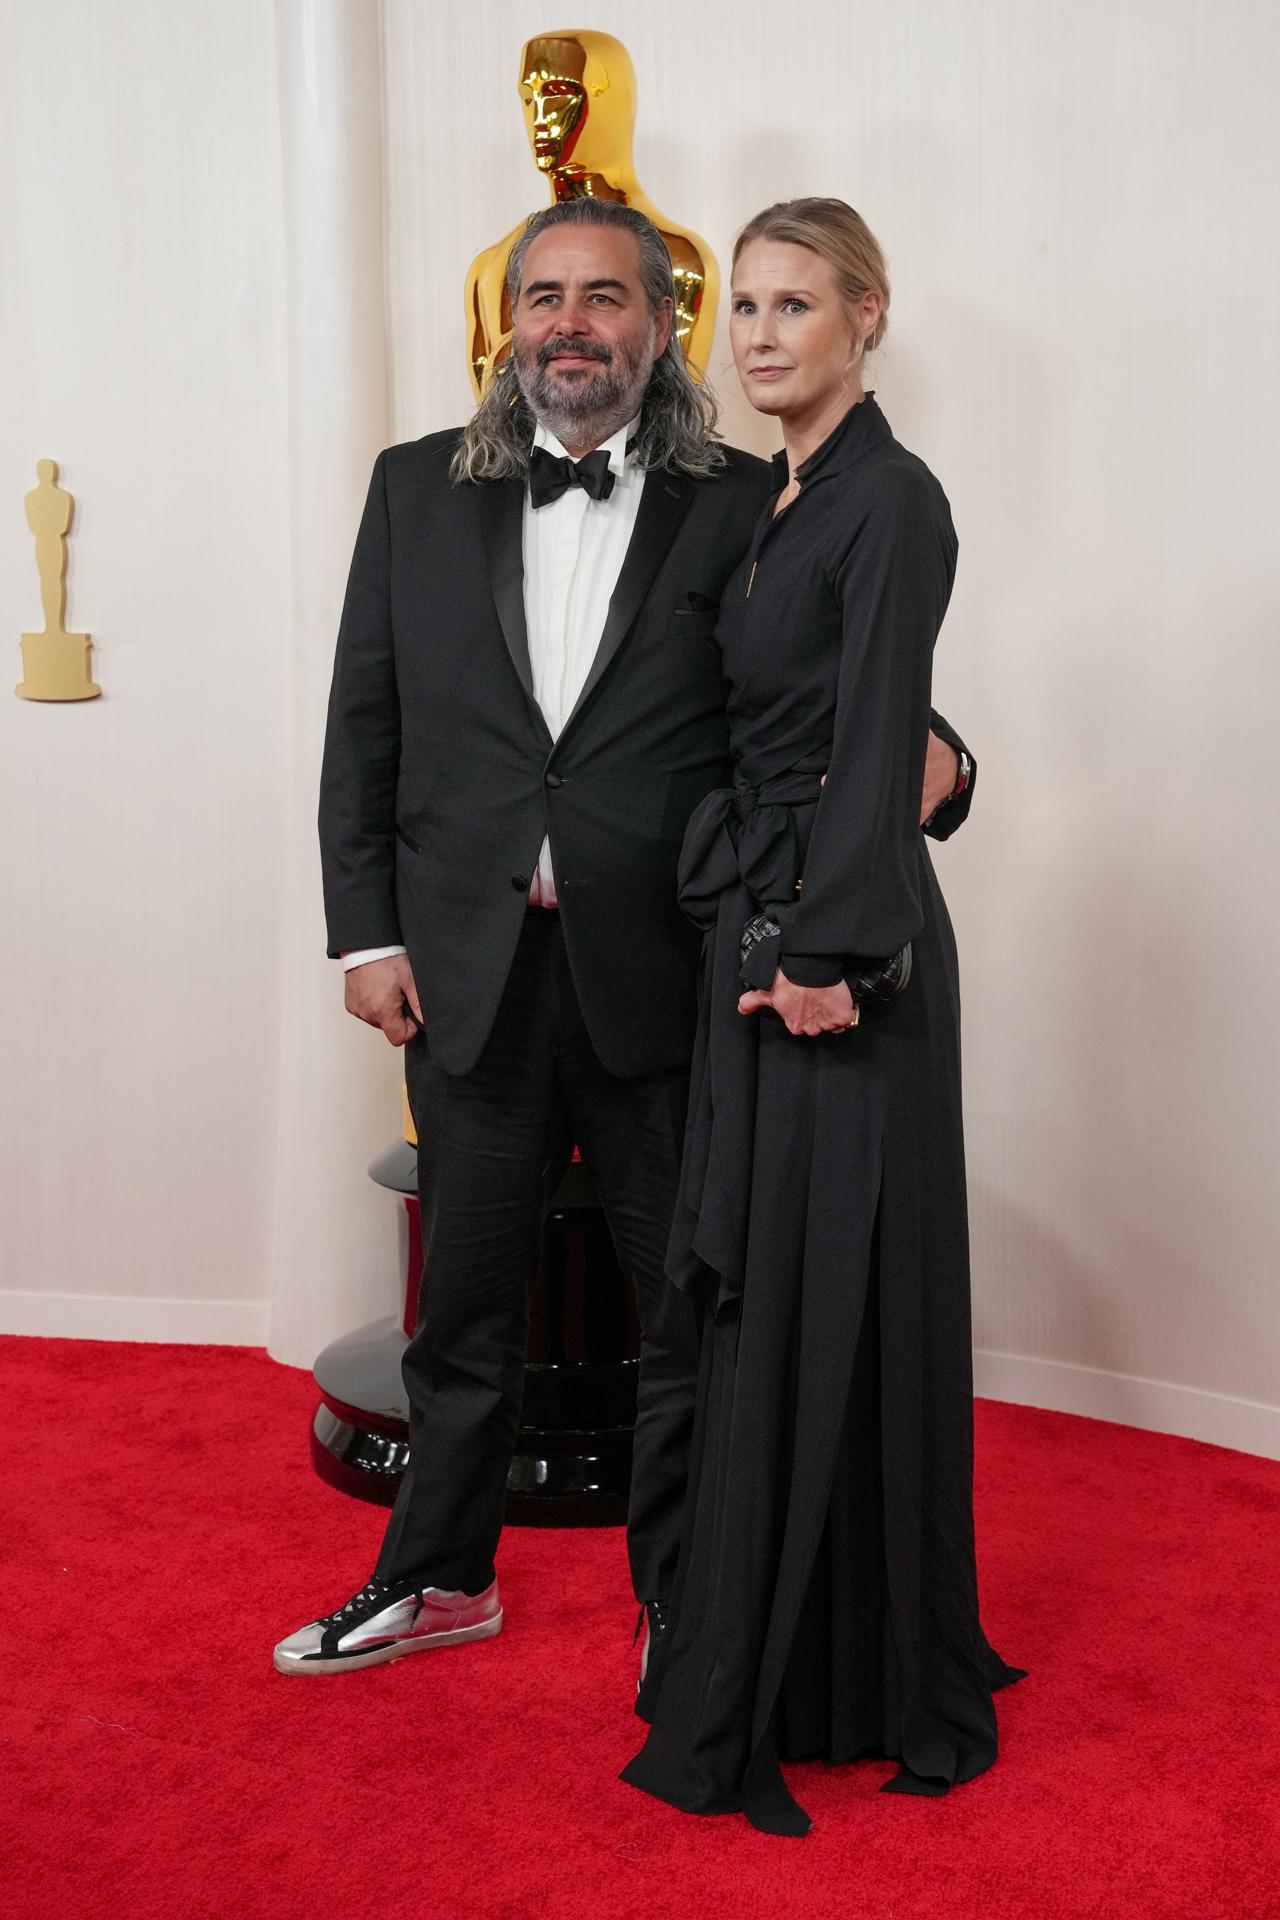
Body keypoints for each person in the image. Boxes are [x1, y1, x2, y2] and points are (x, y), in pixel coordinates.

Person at [273, 198, 974, 1679]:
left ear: (663, 326)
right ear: (507, 322)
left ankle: (682, 1604)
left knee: (684, 1316)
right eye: (545, 295)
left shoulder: (742, 496)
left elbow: (812, 688)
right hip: (466, 970)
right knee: (459, 1309)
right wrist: (362, 939)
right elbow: (364, 728)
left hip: (668, 968)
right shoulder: (412, 490)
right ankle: (439, 1577)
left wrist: (948, 760)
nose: (571, 322)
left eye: (606, 296)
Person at [622, 199, 1023, 1834]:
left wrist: (830, 952)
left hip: (829, 967)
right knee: (762, 1300)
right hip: (758, 932)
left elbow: (872, 733)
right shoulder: (775, 499)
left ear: (869, 319)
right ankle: (796, 1660)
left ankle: (845, 1669)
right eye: (750, 309)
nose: (764, 334)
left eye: (800, 306)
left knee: (825, 1293)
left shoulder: (895, 500)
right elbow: (841, 717)